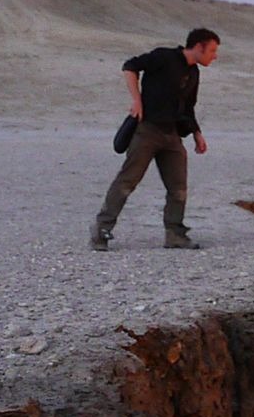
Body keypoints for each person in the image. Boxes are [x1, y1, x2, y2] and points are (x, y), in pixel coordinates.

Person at [93, 27, 220, 250]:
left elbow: (188, 107)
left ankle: (175, 233)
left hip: (171, 135)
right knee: (127, 182)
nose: (214, 56)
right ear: (199, 47)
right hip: (147, 131)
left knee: (178, 187)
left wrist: (197, 134)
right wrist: (137, 101)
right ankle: (101, 230)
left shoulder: (194, 73)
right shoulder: (164, 57)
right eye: (212, 50)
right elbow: (130, 66)